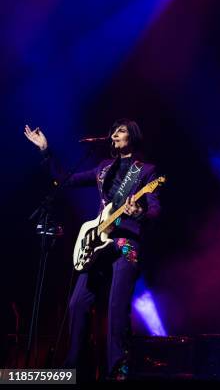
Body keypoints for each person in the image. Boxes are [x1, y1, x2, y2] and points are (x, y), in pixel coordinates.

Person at [24, 120, 160, 380]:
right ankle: (73, 369)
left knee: (116, 310)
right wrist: (45, 150)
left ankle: (116, 373)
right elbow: (64, 180)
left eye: (121, 130)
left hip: (125, 242)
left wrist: (140, 211)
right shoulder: (103, 168)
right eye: (114, 130)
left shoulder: (146, 171)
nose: (115, 134)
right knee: (77, 304)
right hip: (98, 242)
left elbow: (156, 208)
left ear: (132, 137)